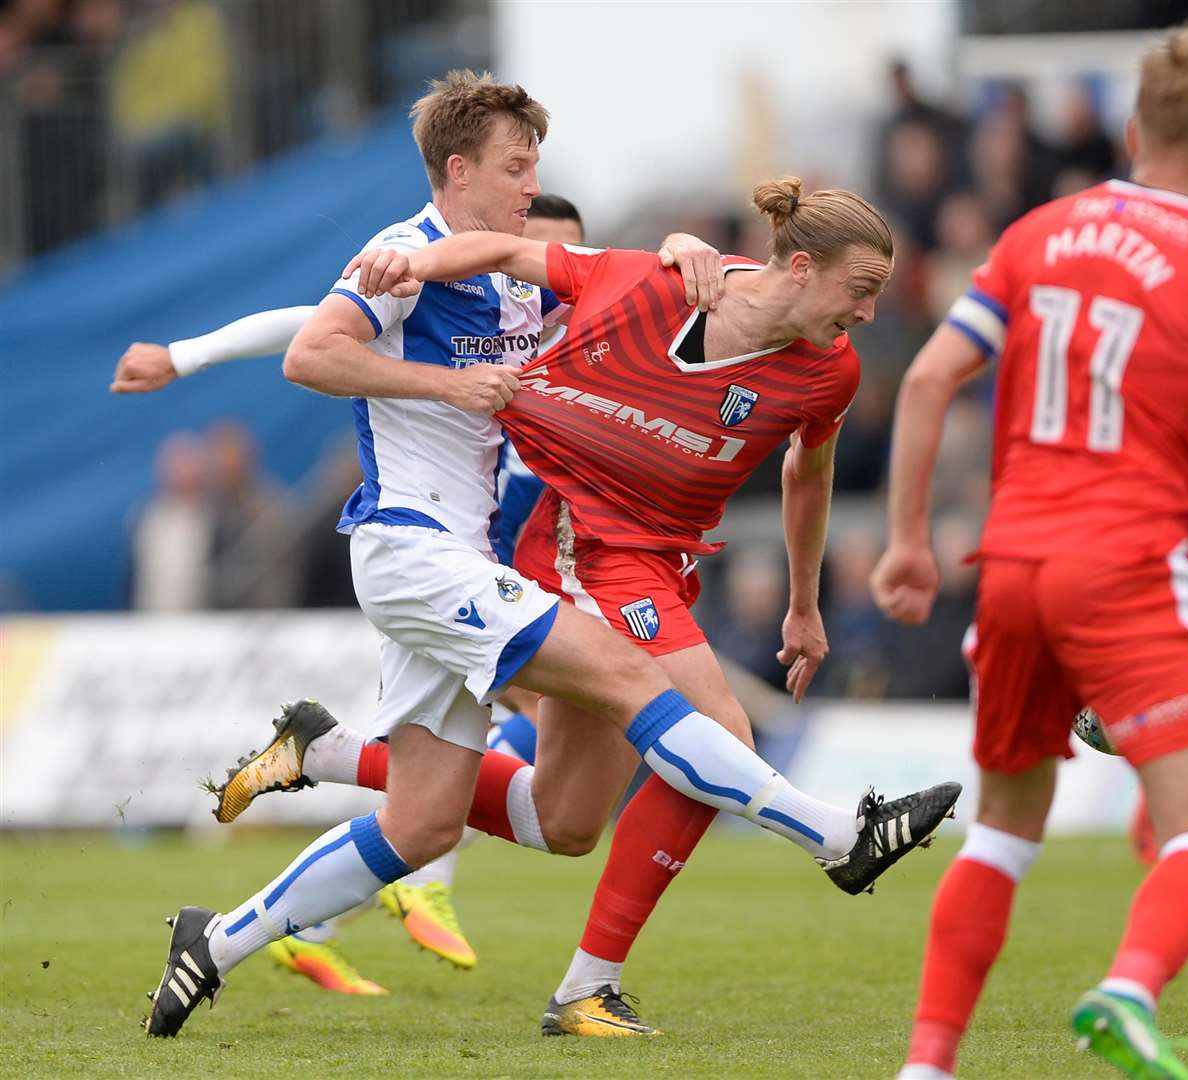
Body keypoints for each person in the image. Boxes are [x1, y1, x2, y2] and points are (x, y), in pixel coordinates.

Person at [143, 71, 958, 1039]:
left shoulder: (507, 275)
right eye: (517, 166)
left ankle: (222, 928)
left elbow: (544, 268)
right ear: (460, 167)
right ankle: (834, 837)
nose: (533, 185)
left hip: (476, 550)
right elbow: (313, 349)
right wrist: (204, 357)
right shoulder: (408, 252)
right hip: (424, 548)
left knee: (467, 824)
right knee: (654, 693)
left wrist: (680, 249)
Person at [326, 172, 948, 1038]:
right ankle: (820, 850)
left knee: (568, 817)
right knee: (719, 736)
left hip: (656, 563)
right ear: (800, 266)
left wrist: (804, 605)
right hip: (579, 539)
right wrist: (411, 263)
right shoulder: (661, 278)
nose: (870, 315)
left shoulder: (827, 372)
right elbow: (506, 249)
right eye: (862, 291)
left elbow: (809, 472)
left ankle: (335, 753)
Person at [112, 195, 716, 992]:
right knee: (609, 705)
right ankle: (819, 837)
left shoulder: (589, 333)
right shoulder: (467, 312)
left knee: (548, 814)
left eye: (564, 265)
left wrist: (678, 244)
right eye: (526, 257)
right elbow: (310, 325)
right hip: (464, 567)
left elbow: (664, 298)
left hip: (513, 565)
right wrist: (185, 357)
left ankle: (325, 769)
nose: (546, 284)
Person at [870, 27, 1188, 1079]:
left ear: (1130, 132)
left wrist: (905, 544)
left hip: (1013, 564)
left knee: (1001, 833)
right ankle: (1126, 989)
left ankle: (926, 1067)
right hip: (1125, 563)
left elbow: (931, 380)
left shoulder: (1036, 233)